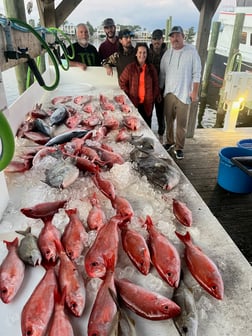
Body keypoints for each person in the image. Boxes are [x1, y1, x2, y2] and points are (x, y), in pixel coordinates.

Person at [159, 26, 201, 160]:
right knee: (169, 120)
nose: (175, 38)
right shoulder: (167, 54)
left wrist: (194, 92)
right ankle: (170, 141)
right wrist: (160, 90)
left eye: (177, 35)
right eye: (172, 36)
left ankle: (179, 147)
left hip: (184, 94)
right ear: (170, 39)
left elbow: (197, 73)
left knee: (181, 124)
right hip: (169, 93)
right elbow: (162, 74)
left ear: (183, 37)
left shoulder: (192, 51)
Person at [119, 42, 160, 128]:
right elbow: (122, 82)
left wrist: (152, 96)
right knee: (134, 127)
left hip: (147, 104)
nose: (142, 55)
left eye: (144, 52)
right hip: (134, 104)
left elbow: (156, 85)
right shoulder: (130, 68)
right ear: (136, 54)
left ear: (147, 54)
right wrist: (128, 95)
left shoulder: (151, 68)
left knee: (147, 127)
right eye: (140, 52)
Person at [149, 29, 167, 143]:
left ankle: (161, 136)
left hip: (162, 89)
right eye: (154, 39)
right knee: (148, 114)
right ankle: (149, 136)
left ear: (162, 40)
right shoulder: (147, 52)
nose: (157, 41)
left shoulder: (168, 53)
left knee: (161, 115)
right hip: (149, 90)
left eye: (159, 39)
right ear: (151, 40)